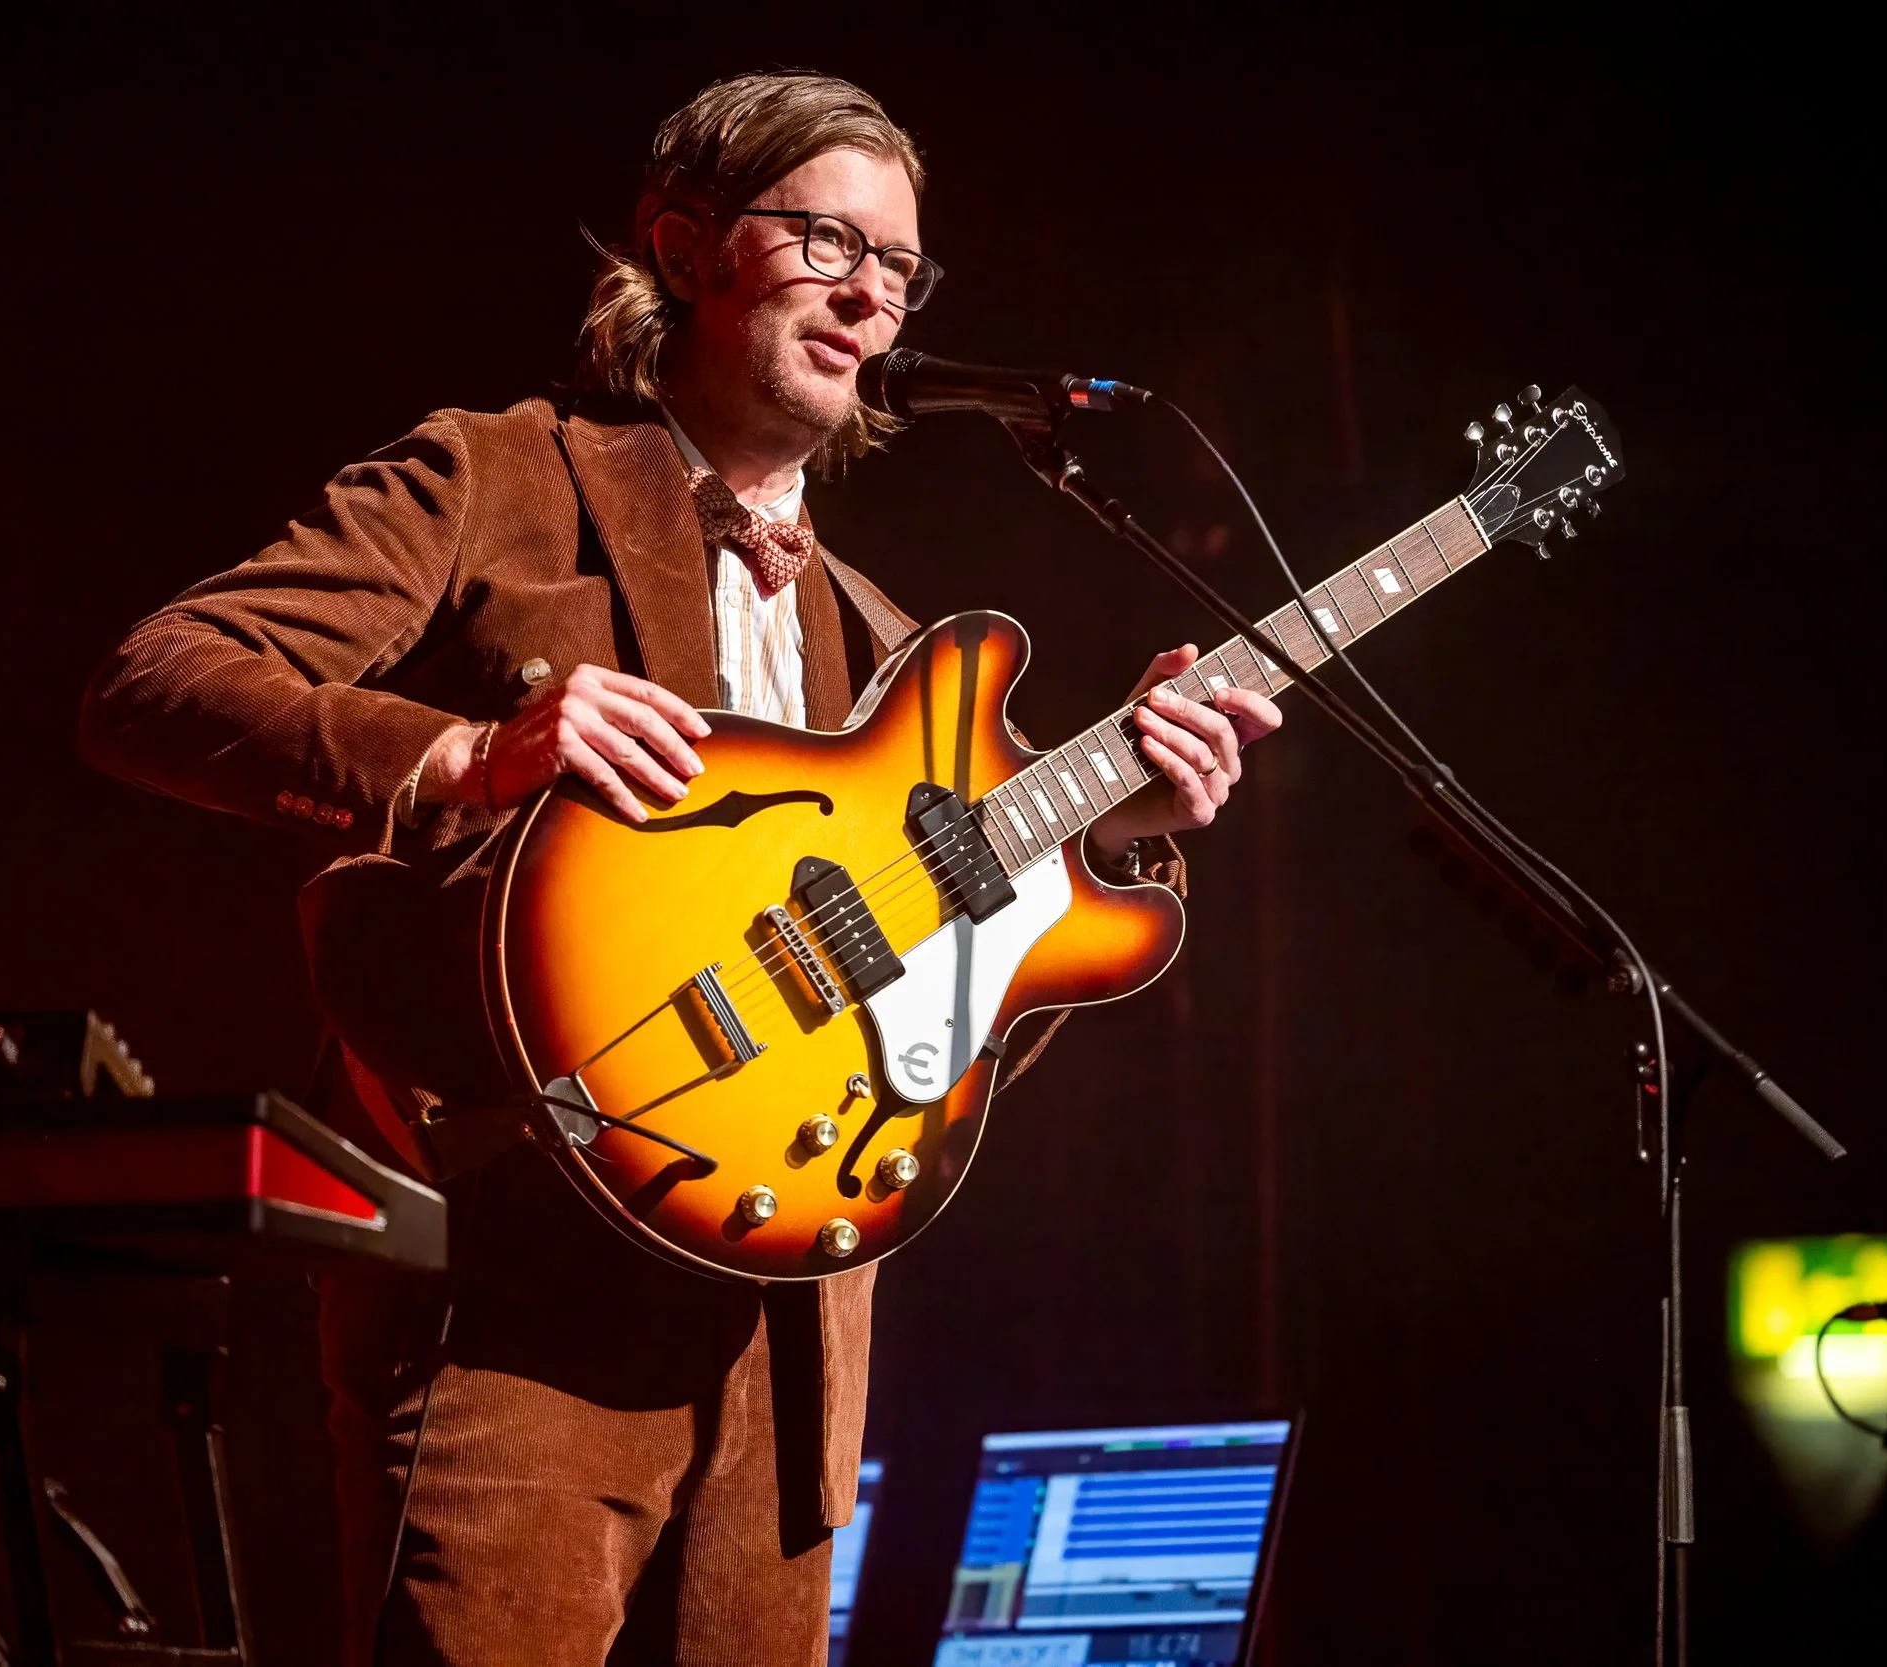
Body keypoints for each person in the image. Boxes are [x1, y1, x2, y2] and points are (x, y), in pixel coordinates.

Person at [79, 70, 1279, 1667]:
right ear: (687, 244)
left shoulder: (886, 643)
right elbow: (159, 678)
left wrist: (1117, 836)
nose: (872, 293)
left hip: (789, 1355)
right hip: (520, 1305)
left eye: (901, 270)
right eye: (828, 240)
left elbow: (940, 1032)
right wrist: (465, 750)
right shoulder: (505, 474)